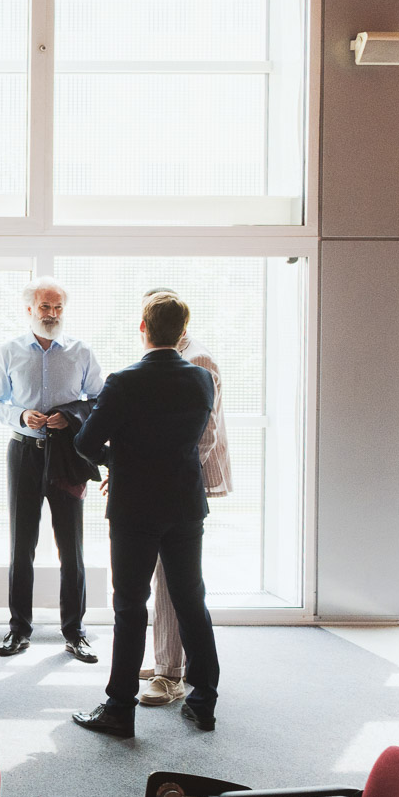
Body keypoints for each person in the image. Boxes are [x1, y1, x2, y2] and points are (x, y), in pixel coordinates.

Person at [70, 292, 221, 737]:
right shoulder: (201, 380)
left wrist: (117, 461)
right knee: (191, 599)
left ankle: (119, 708)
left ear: (143, 327)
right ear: (182, 331)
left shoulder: (124, 381)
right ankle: (204, 701)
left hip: (136, 506)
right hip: (185, 504)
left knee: (130, 604)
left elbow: (84, 443)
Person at [0, 278, 104, 663]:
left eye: (57, 308)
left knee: (72, 547)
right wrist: (20, 414)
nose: (51, 315)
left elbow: (99, 400)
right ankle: (19, 629)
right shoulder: (10, 351)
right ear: (29, 310)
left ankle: (75, 632)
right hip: (24, 454)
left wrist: (70, 418)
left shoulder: (81, 351)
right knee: (22, 545)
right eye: (44, 308)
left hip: (68, 456)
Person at [138, 290, 231, 709]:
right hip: (171, 485)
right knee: (169, 579)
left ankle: (171, 674)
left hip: (177, 487)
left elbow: (203, 436)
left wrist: (154, 474)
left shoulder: (198, 360)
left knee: (177, 584)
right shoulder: (179, 354)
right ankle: (166, 658)